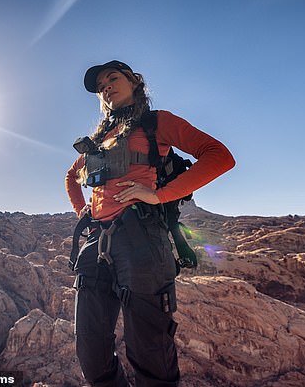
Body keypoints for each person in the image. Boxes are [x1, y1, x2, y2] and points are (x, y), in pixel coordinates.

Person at [65, 60, 235, 386]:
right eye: (101, 87)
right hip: (95, 242)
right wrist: (82, 211)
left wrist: (161, 195)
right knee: (90, 350)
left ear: (134, 82)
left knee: (149, 353)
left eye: (112, 79)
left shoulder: (157, 123)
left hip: (141, 239)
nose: (106, 88)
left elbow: (219, 155)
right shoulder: (99, 139)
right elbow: (72, 176)